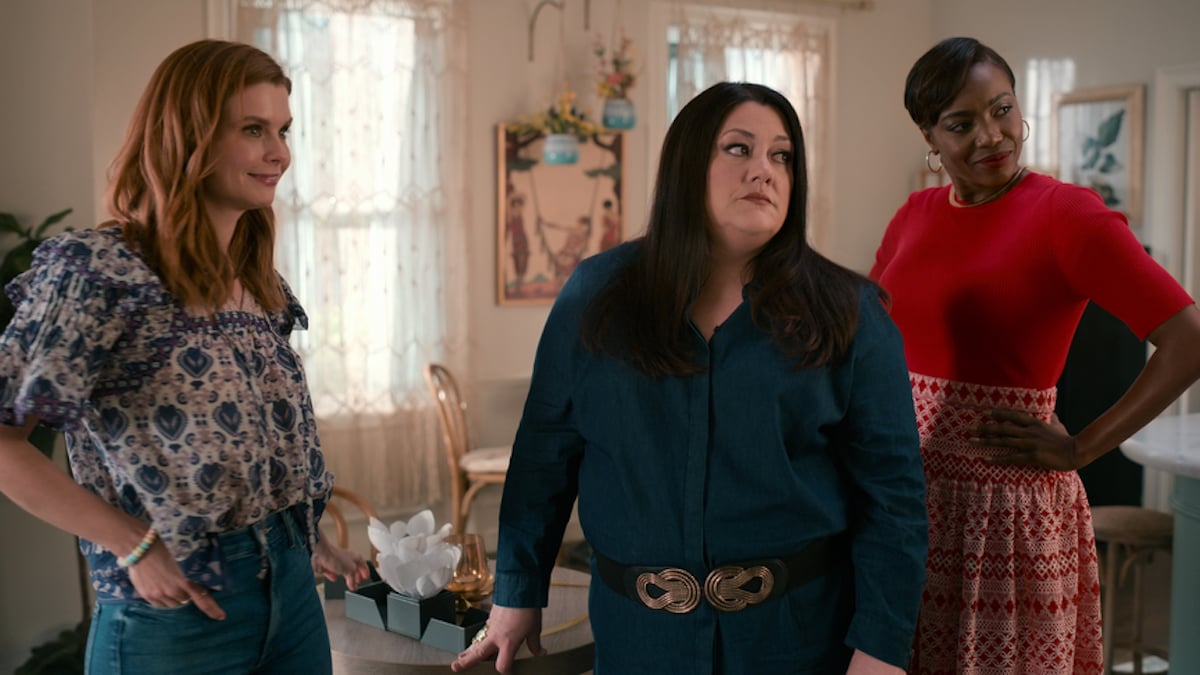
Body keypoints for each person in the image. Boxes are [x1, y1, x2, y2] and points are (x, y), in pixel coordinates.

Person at [453, 82, 928, 675]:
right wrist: (516, 595)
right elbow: (543, 458)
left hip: (797, 642)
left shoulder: (852, 312)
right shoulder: (596, 297)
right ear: (686, 164)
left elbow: (895, 501)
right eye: (739, 149)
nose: (764, 170)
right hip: (637, 644)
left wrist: (881, 649)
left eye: (782, 155)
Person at [0, 39, 370, 674]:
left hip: (292, 598)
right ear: (187, 137)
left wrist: (308, 541)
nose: (279, 152)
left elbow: (256, 444)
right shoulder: (96, 270)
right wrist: (134, 547)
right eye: (253, 130)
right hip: (175, 616)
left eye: (283, 130)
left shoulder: (260, 285)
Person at [870, 36, 1200, 674]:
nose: (992, 136)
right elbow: (870, 338)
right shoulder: (914, 215)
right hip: (908, 500)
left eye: (1002, 109)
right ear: (929, 137)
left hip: (1006, 514)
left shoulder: (1068, 216)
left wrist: (1082, 448)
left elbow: (1188, 341)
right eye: (962, 124)